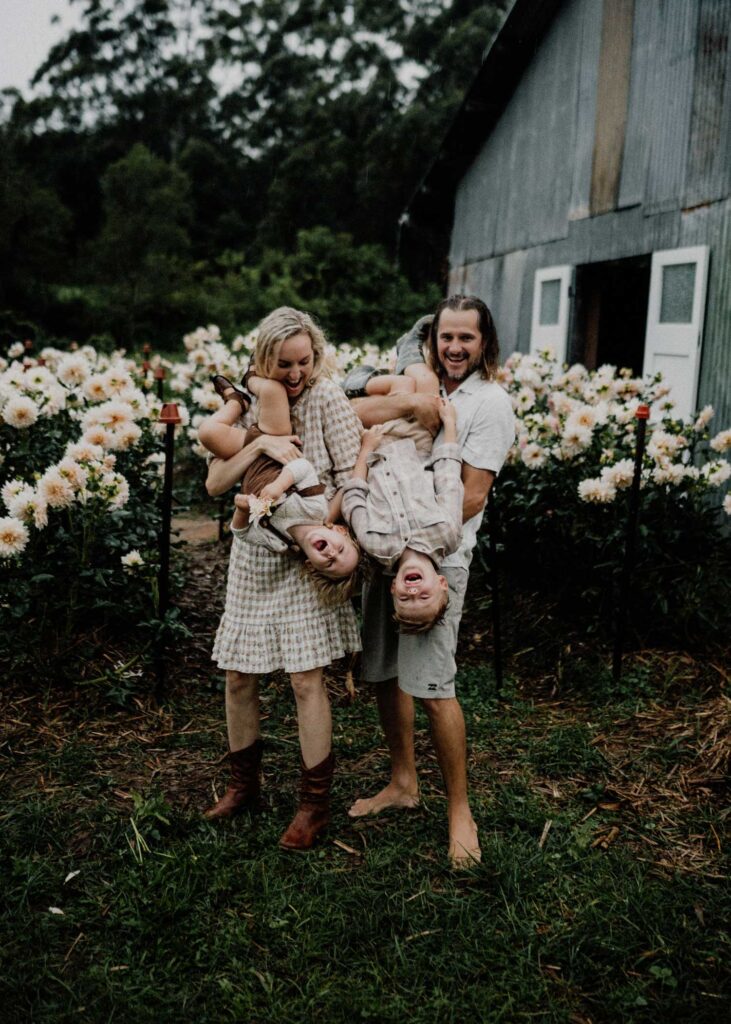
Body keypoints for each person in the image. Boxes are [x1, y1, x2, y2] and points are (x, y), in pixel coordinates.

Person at [346, 295, 515, 867]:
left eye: (467, 338)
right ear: (432, 339)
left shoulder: (490, 403)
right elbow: (353, 416)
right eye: (447, 337)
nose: (455, 348)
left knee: (435, 685)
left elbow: (471, 494)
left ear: (485, 343)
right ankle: (403, 783)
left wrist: (417, 550)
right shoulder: (420, 385)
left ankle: (459, 811)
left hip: (437, 561)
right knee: (384, 671)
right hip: (384, 550)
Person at [201, 306, 364, 850]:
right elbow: (215, 484)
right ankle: (242, 785)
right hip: (253, 550)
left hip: (306, 550)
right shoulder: (249, 404)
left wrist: (318, 530)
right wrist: (258, 444)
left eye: (304, 361)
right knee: (239, 676)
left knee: (305, 678)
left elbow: (350, 477)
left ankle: (313, 803)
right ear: (262, 361)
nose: (295, 374)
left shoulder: (328, 398)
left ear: (316, 355)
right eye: (283, 364)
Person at [198, 373, 360, 604]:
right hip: (275, 441)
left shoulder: (279, 542)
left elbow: (242, 533)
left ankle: (235, 401)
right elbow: (302, 468)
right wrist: (277, 486)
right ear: (339, 531)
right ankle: (250, 379)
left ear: (310, 564)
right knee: (273, 389)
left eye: (330, 563)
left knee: (208, 433)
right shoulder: (316, 510)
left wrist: (242, 509)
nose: (332, 553)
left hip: (246, 461)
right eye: (341, 550)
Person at [341, 390, 463, 631]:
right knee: (412, 384)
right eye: (424, 597)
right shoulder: (447, 535)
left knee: (346, 411)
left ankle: (361, 384)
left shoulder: (376, 545)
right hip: (414, 441)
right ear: (442, 583)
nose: (413, 591)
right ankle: (383, 378)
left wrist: (366, 449)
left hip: (367, 449)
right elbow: (448, 478)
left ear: (394, 588)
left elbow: (354, 497)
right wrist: (450, 424)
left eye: (405, 598)